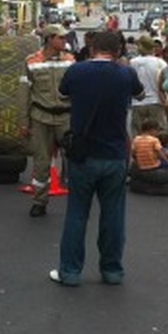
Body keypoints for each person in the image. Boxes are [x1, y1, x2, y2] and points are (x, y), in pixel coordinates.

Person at [50, 30, 143, 287]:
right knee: (113, 215)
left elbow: (63, 94)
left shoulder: (76, 71)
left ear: (91, 49)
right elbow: (140, 93)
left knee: (77, 214)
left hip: (83, 155)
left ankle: (70, 272)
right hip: (114, 155)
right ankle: (112, 270)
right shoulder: (125, 73)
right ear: (118, 51)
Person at [18, 23, 75, 217]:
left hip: (65, 117)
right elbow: (24, 93)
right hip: (41, 117)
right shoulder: (31, 61)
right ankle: (39, 201)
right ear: (49, 39)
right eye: (60, 37)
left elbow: (77, 90)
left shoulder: (70, 60)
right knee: (41, 161)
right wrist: (23, 122)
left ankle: (78, 199)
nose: (64, 40)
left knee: (75, 158)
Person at [128, 35, 168, 139]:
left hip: (138, 103)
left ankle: (140, 154)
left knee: (138, 135)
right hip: (156, 102)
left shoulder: (133, 63)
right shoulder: (160, 63)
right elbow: (165, 83)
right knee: (158, 134)